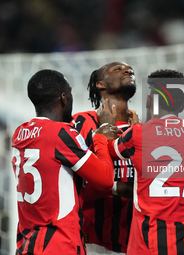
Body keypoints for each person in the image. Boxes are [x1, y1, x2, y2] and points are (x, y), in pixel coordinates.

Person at [11, 69, 119, 255]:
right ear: (63, 98)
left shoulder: (19, 134)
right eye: (69, 93)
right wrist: (100, 137)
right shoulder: (61, 134)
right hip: (59, 245)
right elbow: (105, 181)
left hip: (26, 244)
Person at [108, 69, 184, 255]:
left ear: (149, 102)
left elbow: (111, 150)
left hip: (152, 243)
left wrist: (102, 135)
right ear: (182, 106)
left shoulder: (139, 133)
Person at [72, 61, 136, 254]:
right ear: (100, 84)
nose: (127, 70)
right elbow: (69, 182)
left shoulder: (142, 129)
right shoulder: (81, 121)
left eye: (130, 70)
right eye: (118, 69)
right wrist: (116, 187)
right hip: (91, 242)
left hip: (135, 243)